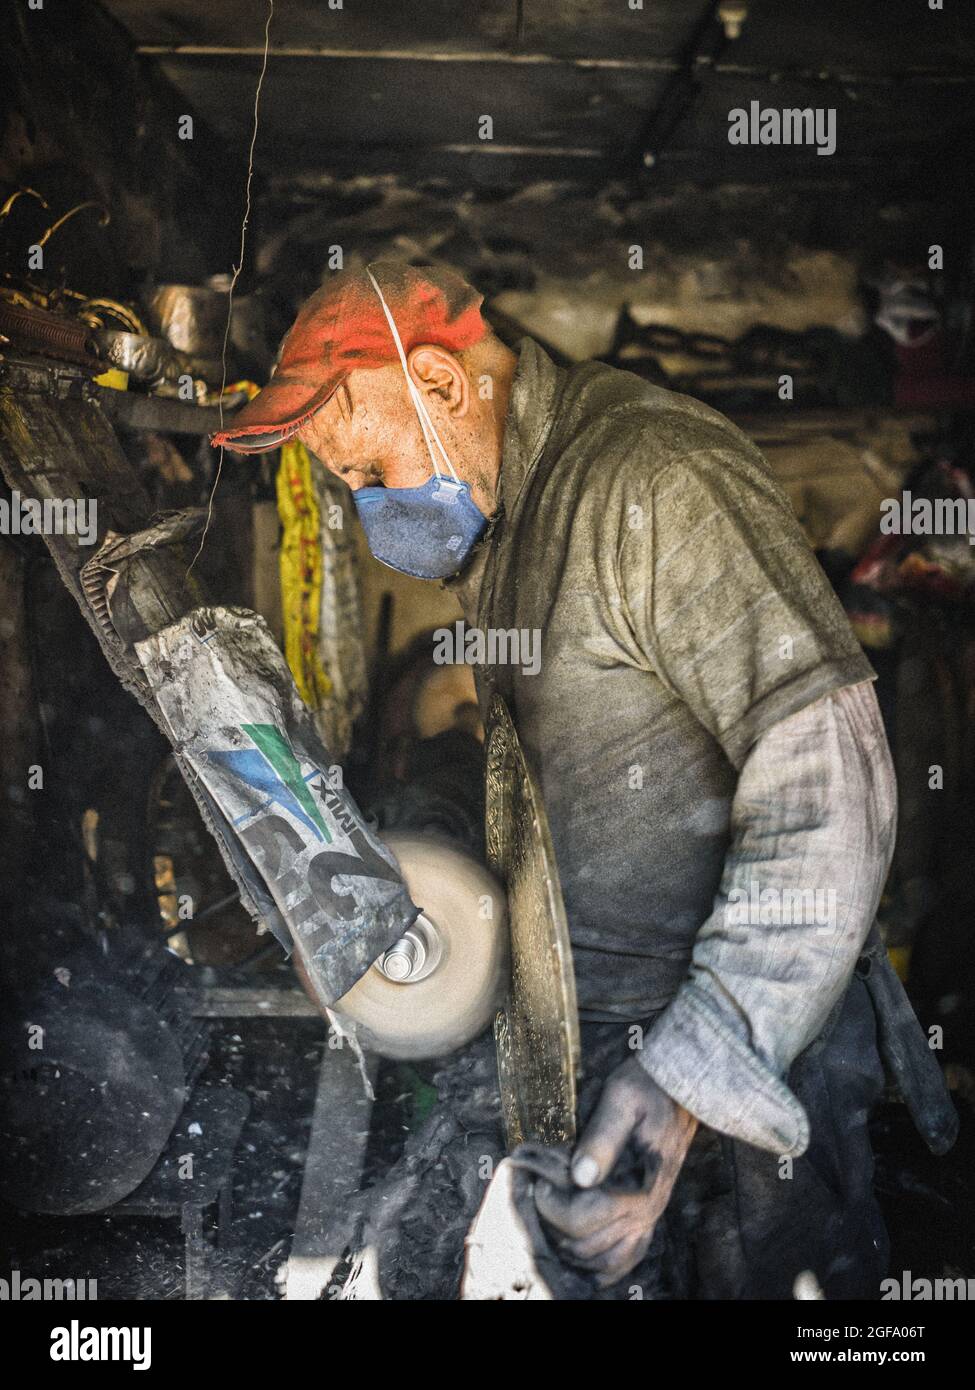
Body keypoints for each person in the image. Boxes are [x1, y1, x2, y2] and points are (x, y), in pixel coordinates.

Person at [213, 260, 955, 1299]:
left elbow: (830, 780)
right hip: (607, 1055)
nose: (372, 509)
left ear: (439, 383)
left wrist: (687, 1078)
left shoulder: (651, 480)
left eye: (371, 472)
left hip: (735, 1083)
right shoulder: (512, 521)